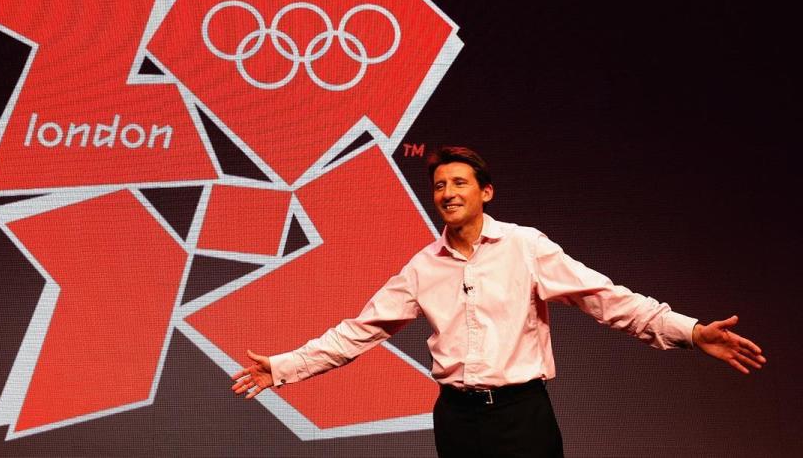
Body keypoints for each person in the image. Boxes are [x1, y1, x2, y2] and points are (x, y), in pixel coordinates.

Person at [231, 146, 765, 457]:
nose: (447, 192)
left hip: (521, 418)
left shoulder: (526, 247)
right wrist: (282, 368)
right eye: (439, 185)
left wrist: (691, 331)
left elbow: (609, 301)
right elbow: (358, 332)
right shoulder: (423, 267)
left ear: (486, 192)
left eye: (459, 182)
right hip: (458, 421)